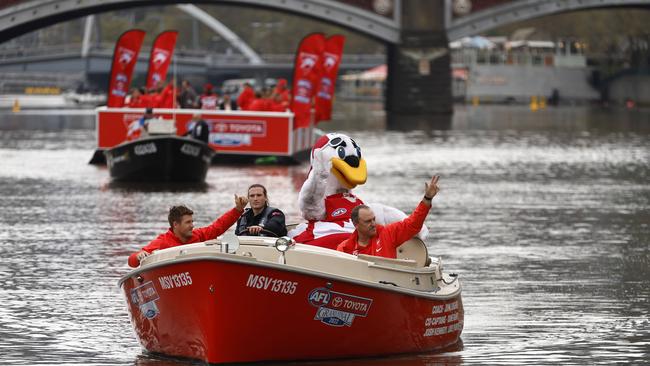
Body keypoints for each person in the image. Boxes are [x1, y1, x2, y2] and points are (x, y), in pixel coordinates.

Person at [127, 195, 248, 267]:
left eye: (192, 221)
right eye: (188, 222)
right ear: (175, 224)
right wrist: (138, 256)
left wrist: (238, 210)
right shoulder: (162, 242)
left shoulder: (199, 235)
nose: (192, 225)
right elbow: (132, 262)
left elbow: (218, 227)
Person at [337, 175, 440, 258]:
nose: (373, 224)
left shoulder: (388, 233)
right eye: (368, 221)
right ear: (356, 224)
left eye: (374, 219)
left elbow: (413, 224)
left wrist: (427, 198)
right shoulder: (344, 248)